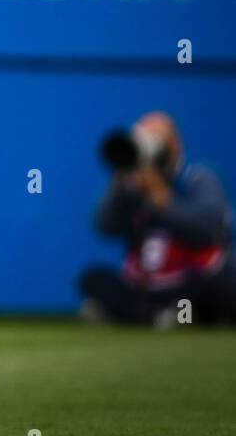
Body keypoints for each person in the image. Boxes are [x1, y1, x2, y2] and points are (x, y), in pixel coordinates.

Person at [80, 112, 236, 326]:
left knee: (224, 285)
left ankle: (137, 314)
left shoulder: (197, 178)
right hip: (148, 285)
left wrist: (161, 198)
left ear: (175, 146)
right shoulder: (131, 187)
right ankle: (158, 316)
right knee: (93, 278)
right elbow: (105, 226)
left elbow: (210, 229)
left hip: (192, 278)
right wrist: (119, 182)